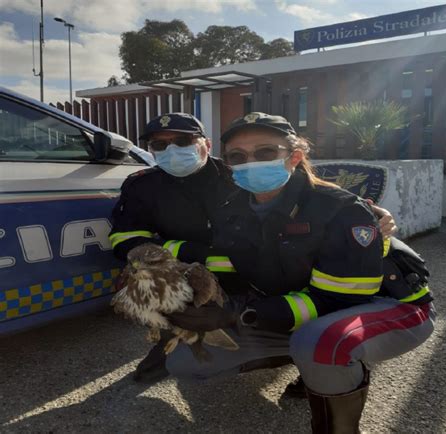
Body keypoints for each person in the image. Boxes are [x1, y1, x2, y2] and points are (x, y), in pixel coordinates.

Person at [164, 113, 435, 433]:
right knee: (184, 360)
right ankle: (311, 365)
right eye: (238, 156)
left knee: (321, 343)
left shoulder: (338, 208)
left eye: (265, 152)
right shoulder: (230, 210)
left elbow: (338, 298)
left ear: (294, 156)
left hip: (391, 306)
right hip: (302, 310)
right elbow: (227, 265)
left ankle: (338, 420)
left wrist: (244, 315)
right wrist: (209, 307)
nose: (250, 162)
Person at [109, 112, 396, 384]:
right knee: (154, 282)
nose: (172, 151)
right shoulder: (141, 185)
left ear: (206, 145)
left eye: (183, 141)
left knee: (289, 300)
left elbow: (307, 195)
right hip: (183, 264)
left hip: (252, 263)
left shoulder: (237, 174)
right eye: (160, 145)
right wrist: (188, 253)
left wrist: (367, 213)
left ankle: (308, 353)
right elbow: (124, 239)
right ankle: (172, 338)